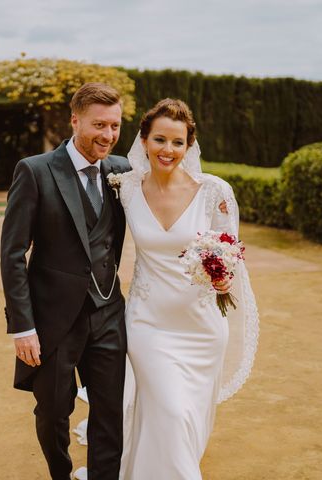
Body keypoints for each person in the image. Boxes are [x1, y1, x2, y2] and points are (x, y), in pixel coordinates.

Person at [110, 99, 259, 479]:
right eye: (160, 139)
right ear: (143, 140)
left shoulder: (214, 192)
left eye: (178, 142)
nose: (168, 150)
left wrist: (225, 277)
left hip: (201, 327)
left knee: (186, 418)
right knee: (171, 412)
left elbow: (230, 253)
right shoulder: (125, 188)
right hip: (148, 325)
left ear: (189, 145)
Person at [0, 82, 131, 480]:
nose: (107, 136)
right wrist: (23, 327)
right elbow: (13, 253)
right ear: (75, 120)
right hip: (53, 320)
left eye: (114, 126)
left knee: (110, 411)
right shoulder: (35, 170)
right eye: (98, 125)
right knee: (54, 410)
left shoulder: (122, 170)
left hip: (109, 311)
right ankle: (61, 473)